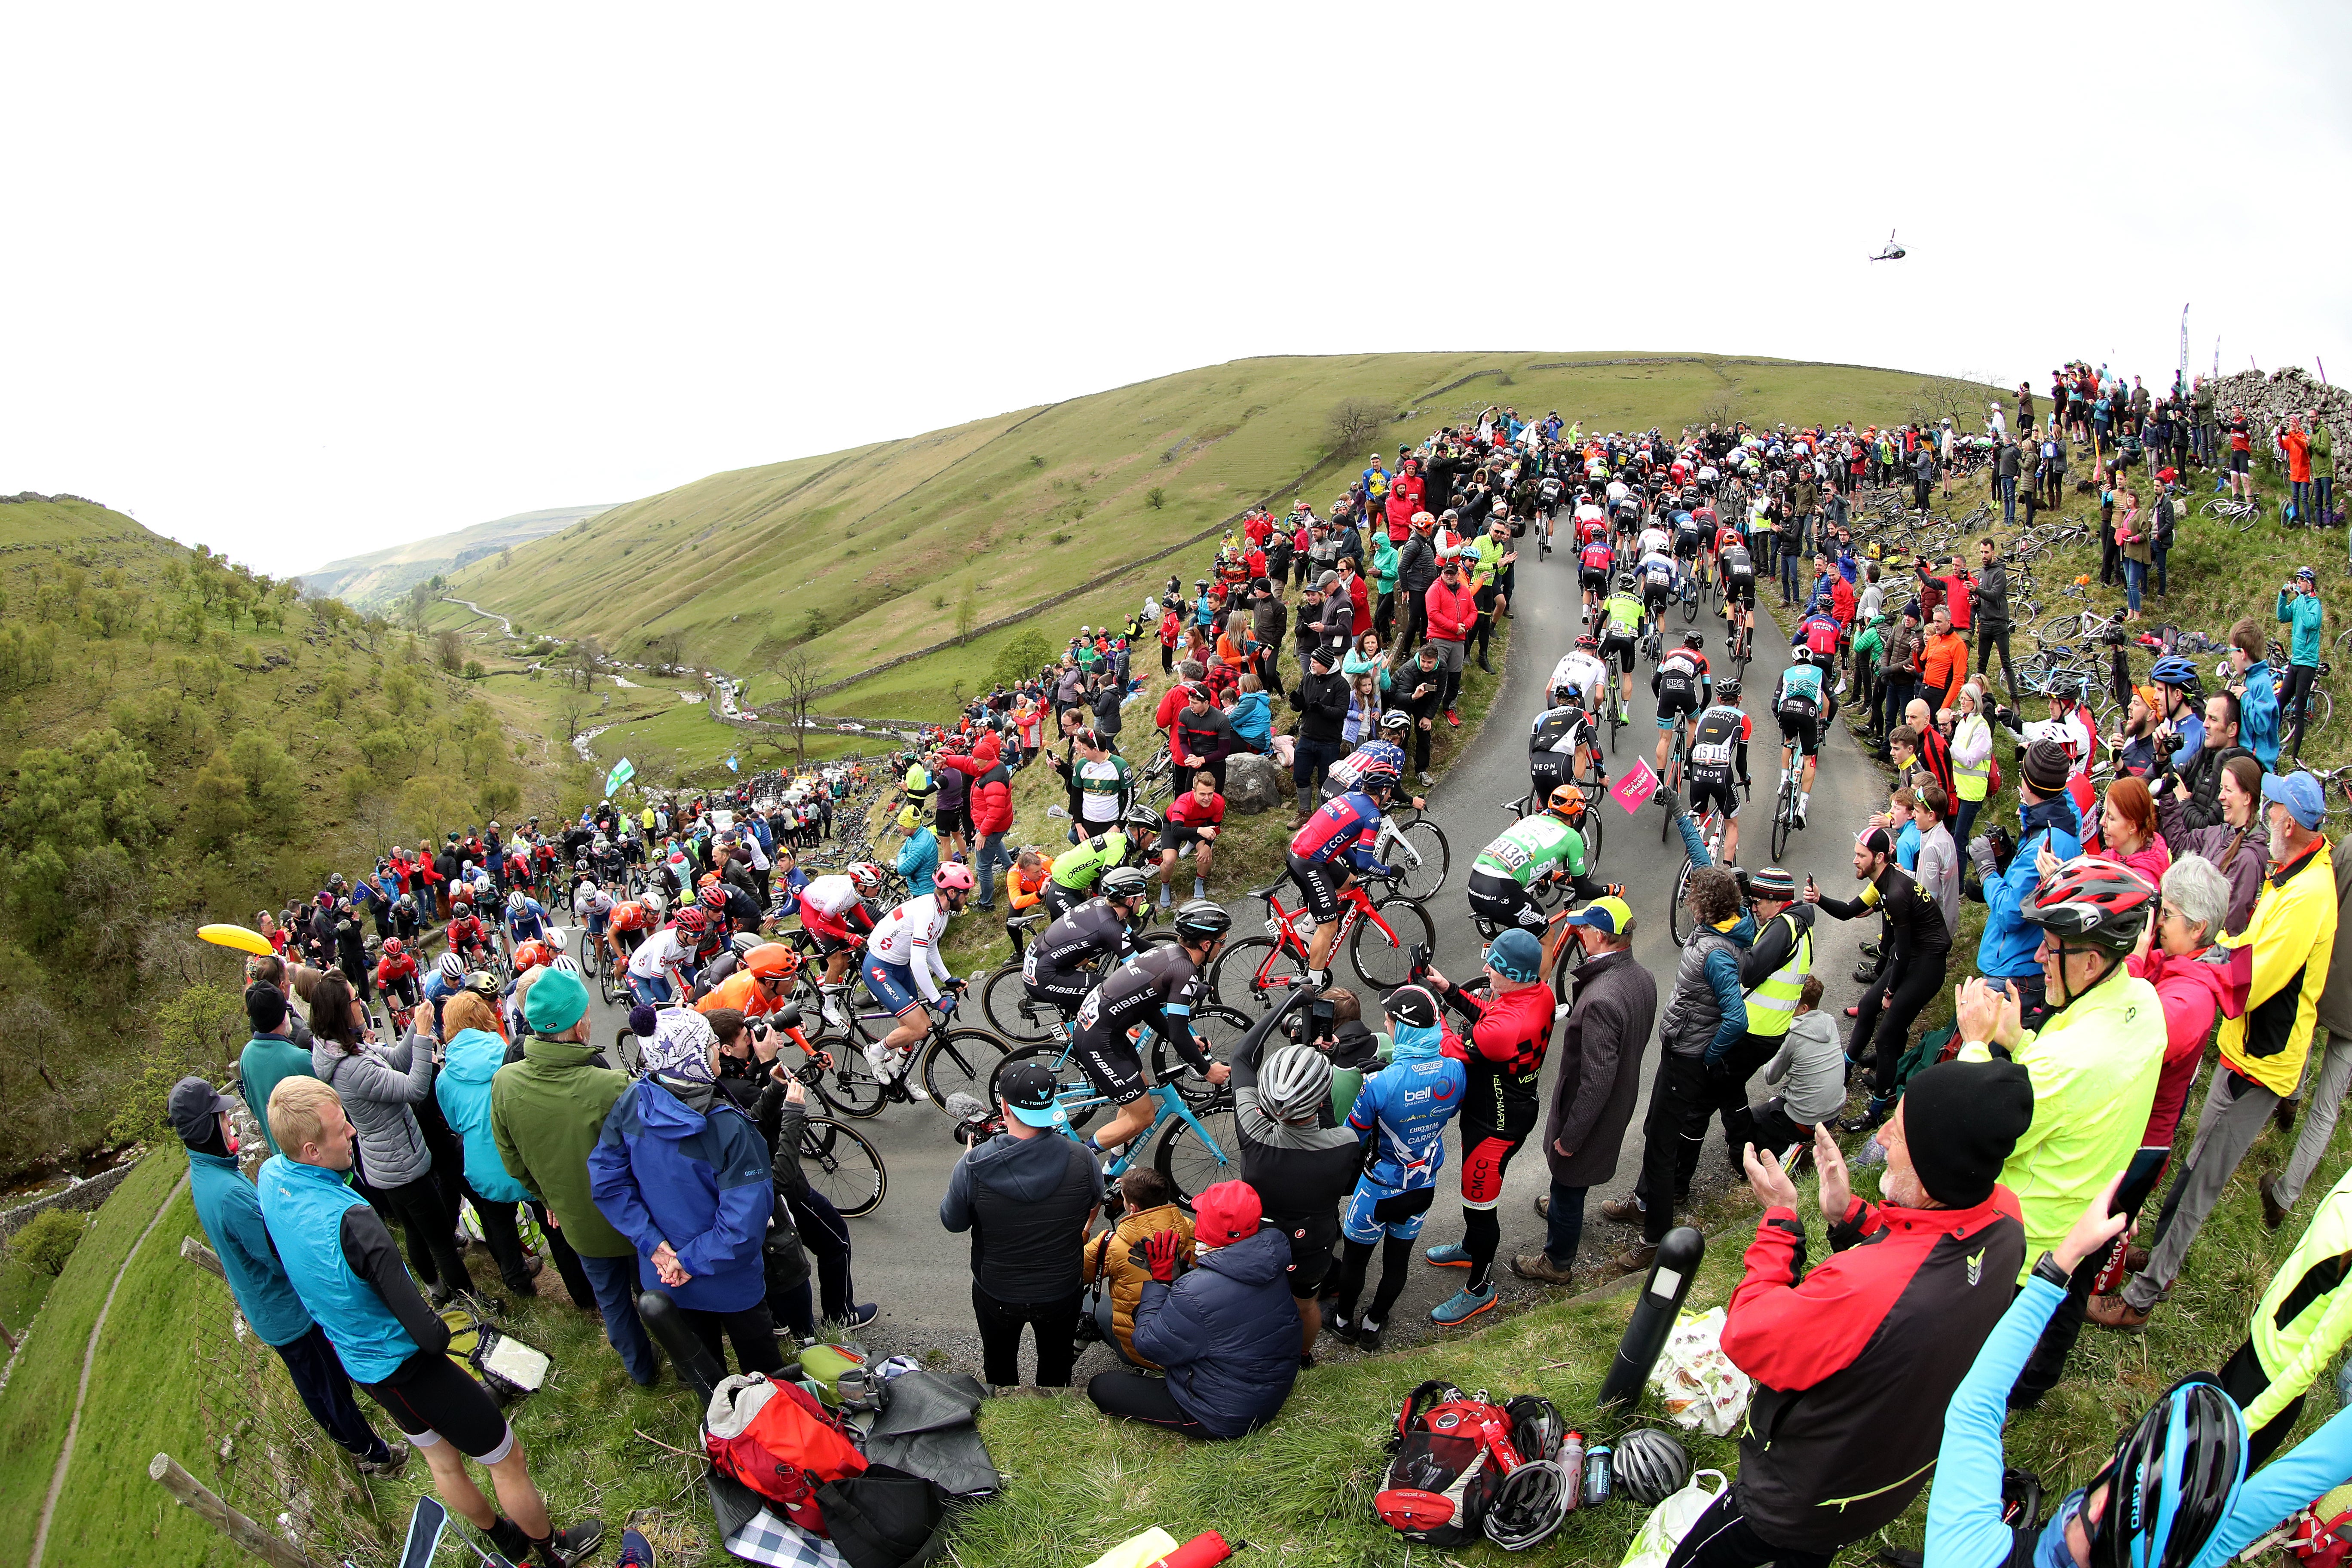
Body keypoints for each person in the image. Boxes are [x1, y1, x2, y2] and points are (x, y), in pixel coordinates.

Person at [1683, 1060, 2031, 1568]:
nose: (1884, 1135)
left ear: (1936, 1173)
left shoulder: (1864, 1289)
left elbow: (1749, 1334)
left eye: (1902, 1130)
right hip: (1878, 1485)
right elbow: (1924, 1246)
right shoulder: (2006, 1221)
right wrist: (1851, 1215)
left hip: (1792, 1500)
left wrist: (1781, 1220)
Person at [260, 1078, 603, 1568]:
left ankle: (505, 1538)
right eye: (342, 1131)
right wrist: (447, 1331)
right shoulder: (353, 1220)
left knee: (441, 1459)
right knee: (507, 1459)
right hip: (413, 1368)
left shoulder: (272, 1176)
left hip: (362, 1365)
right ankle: (554, 1549)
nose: (354, 1133)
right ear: (312, 1149)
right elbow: (429, 1333)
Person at [2095, 771, 2339, 1331]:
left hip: (2265, 1060)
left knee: (2205, 1176)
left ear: (2289, 822)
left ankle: (2144, 1295)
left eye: (2272, 806)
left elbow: (2258, 971)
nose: (2266, 815)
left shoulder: (2308, 893)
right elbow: (2244, 944)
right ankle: (2156, 1252)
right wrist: (2207, 953)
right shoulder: (2291, 872)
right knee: (2194, 1160)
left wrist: (2195, 963)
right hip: (2242, 1046)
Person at [173, 1076, 406, 1476]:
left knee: (315, 1379)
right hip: (286, 1311)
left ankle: (357, 1444)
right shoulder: (229, 1194)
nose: (229, 1122)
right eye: (221, 1118)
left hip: (266, 1308)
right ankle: (373, 1455)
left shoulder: (207, 1174)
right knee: (328, 1384)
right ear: (205, 1128)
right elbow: (275, 1255)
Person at [589, 1008, 782, 1377]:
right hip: (729, 1280)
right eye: (710, 1046)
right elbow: (744, 1223)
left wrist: (655, 1246)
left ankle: (718, 1427)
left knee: (701, 1369)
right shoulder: (728, 1128)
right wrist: (688, 1262)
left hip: (664, 1275)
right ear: (690, 1058)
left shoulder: (633, 1102)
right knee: (764, 1369)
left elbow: (607, 1180)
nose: (716, 1052)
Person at [492, 967, 659, 1386]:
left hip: (577, 1224)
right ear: (577, 1024)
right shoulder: (611, 1085)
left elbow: (512, 1160)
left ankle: (643, 1375)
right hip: (636, 1221)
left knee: (614, 1304)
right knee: (655, 1294)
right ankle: (683, 1352)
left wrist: (549, 1200)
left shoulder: (505, 1082)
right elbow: (654, 1158)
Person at [1604, 862, 1752, 1268]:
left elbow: (1738, 1019)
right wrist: (1676, 811)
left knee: (1662, 1149)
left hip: (1688, 1057)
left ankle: (1655, 1242)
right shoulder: (1724, 927)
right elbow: (1703, 859)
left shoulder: (1715, 953)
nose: (1687, 899)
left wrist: (1705, 1054)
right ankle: (1642, 1203)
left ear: (1704, 906)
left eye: (1693, 896)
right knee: (1655, 1129)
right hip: (1681, 1051)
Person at [304, 970, 478, 1305]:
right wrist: (426, 1038)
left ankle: (437, 1292)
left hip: (385, 1163)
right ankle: (469, 1300)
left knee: (415, 1230)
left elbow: (397, 1059)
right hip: (401, 1166)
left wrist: (417, 1023)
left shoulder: (347, 1049)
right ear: (342, 1011)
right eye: (355, 999)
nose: (361, 1003)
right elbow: (413, 1088)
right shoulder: (353, 1068)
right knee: (440, 1238)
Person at [1511, 897, 1657, 1287]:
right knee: (1570, 1183)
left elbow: (1595, 1082)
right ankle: (1562, 1204)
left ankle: (1557, 1261)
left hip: (1590, 1115)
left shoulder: (1601, 1000)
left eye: (1583, 928)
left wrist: (1570, 1139)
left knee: (1570, 1178)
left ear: (1599, 936)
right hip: (1619, 1102)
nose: (1577, 932)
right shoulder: (1642, 977)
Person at [1419, 928, 1564, 1321]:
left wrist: (1432, 1011)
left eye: (1494, 967)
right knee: (1474, 1203)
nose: (1485, 969)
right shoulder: (1539, 993)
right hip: (1501, 1110)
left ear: (1515, 975)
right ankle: (1470, 1247)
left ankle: (1479, 1288)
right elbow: (1491, 1017)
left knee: (1480, 1206)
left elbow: (1450, 1047)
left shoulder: (1506, 1029)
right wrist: (1449, 990)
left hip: (1495, 1128)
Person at [1086, 1180, 1299, 1440]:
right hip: (1269, 1386)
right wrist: (1183, 1275)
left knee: (1102, 1387)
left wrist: (1160, 1282)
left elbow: (1148, 1345)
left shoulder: (1195, 1291)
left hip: (1223, 1414)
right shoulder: (1270, 1257)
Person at [940, 1060, 1101, 1394]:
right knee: (1057, 1366)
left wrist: (966, 1161)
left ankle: (1003, 1416)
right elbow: (1093, 1202)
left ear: (1004, 1106)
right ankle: (1054, 1415)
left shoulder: (974, 1165)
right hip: (1061, 1289)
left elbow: (953, 1222)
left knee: (998, 1367)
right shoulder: (1084, 1159)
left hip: (997, 1290)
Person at [1328, 983, 1464, 1351]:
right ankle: (1374, 1323)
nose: (1385, 1023)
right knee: (1397, 1261)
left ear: (1401, 1027)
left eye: (1389, 1019)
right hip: (1422, 1187)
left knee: (1356, 1262)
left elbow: (1351, 1138)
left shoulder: (1378, 1084)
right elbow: (1439, 1107)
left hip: (1377, 1190)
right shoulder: (1456, 1070)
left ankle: (1343, 1321)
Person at [1228, 1004, 1366, 1362]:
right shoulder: (1345, 1143)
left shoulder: (1254, 1134)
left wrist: (1288, 1004)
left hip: (1258, 1234)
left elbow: (1241, 1058)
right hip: (1313, 1242)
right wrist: (1323, 1063)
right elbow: (1335, 1146)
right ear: (1321, 1098)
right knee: (1306, 1306)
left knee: (1257, 1298)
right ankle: (1303, 1356)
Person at [1066, 900, 1232, 1162]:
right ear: (1206, 944)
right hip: (1100, 1039)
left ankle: (1116, 1161)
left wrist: (1190, 1040)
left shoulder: (1169, 953)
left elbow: (1148, 1010)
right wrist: (1207, 1070)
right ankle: (1078, 1162)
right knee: (1145, 1116)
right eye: (1222, 940)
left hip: (1104, 1030)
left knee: (1140, 1089)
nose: (1223, 945)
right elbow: (1178, 1034)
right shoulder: (1185, 971)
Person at [1809, 828, 1947, 1132]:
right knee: (1867, 1006)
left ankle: (1876, 1110)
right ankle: (1846, 1067)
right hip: (1908, 955)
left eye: (1861, 856)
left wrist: (1891, 991)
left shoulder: (1896, 892)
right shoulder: (1881, 882)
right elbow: (1848, 912)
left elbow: (1907, 949)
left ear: (1879, 858)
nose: (1854, 861)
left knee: (1887, 1035)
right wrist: (1819, 898)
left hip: (1926, 965)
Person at [2265, 820, 2352, 1227]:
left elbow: (2328, 903)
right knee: (2329, 1104)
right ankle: (2286, 1195)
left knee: (2302, 1037)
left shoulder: (2349, 848)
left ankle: (2290, 1097)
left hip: (2327, 977)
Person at [860, 862, 977, 1088]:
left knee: (918, 1032)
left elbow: (931, 947)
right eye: (966, 893)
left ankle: (897, 1075)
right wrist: (936, 999)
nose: (967, 897)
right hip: (880, 969)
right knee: (920, 1027)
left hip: (898, 967)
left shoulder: (941, 911)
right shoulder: (927, 911)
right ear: (951, 893)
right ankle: (875, 1052)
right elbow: (918, 962)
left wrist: (947, 978)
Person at [1082, 1167, 1195, 1369]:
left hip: (1144, 1352)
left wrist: (1087, 1226)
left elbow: (1074, 1272)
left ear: (1132, 1209)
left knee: (1084, 1302)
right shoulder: (1189, 1226)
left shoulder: (1110, 1244)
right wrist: (1128, 1185)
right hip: (1190, 1348)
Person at [239, 983, 318, 1159]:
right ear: (284, 1015)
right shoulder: (299, 1059)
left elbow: (253, 1104)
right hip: (313, 1161)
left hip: (281, 1160)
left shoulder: (247, 1056)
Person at [1156, 769, 1224, 907]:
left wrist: (1207, 846)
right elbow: (1176, 831)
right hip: (1174, 826)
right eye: (1202, 794)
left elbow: (1214, 828)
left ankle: (1199, 882)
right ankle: (1165, 886)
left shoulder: (1218, 802)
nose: (1207, 798)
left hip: (1198, 825)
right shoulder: (1184, 803)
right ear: (1194, 792)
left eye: (1210, 794)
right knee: (1169, 861)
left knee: (1206, 855)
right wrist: (1200, 830)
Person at [2278, 567, 2326, 760]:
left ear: (2310, 584)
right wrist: (2283, 596)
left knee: (2299, 710)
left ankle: (2295, 755)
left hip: (2308, 664)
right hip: (2295, 661)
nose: (2298, 583)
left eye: (2301, 580)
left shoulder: (2315, 605)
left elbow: (2310, 624)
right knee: (2280, 702)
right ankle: (2272, 742)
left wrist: (2303, 600)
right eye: (2297, 580)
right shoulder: (2299, 601)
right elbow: (2283, 617)